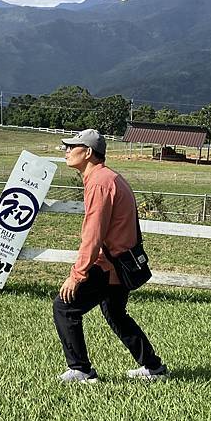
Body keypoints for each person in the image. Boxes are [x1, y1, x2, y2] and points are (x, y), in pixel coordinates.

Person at [53, 128, 169, 383]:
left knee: (64, 307)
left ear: (88, 152)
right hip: (121, 263)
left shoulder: (99, 182)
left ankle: (81, 370)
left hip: (108, 265)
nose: (67, 151)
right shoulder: (110, 178)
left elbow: (93, 235)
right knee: (116, 313)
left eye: (72, 147)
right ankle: (153, 367)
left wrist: (77, 274)